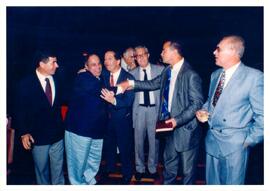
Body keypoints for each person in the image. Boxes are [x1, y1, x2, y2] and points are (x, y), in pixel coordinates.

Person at [119, 40, 203, 184]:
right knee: (169, 168)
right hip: (168, 126)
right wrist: (131, 84)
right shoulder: (167, 70)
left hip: (185, 130)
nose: (161, 53)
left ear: (174, 52)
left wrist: (177, 120)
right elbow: (153, 83)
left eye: (164, 50)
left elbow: (197, 104)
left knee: (187, 173)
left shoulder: (191, 74)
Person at [196, 35, 264, 185]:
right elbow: (211, 102)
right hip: (212, 142)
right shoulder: (215, 75)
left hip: (235, 147)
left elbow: (264, 116)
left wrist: (249, 140)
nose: (214, 52)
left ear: (233, 51)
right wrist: (202, 110)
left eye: (218, 49)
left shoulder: (254, 77)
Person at [16, 50, 65, 184]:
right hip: (38, 137)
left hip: (58, 136)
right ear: (42, 64)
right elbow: (20, 110)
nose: (57, 65)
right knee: (41, 172)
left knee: (58, 171)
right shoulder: (25, 84)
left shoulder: (59, 79)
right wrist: (24, 132)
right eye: (53, 62)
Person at [65, 54, 107, 185]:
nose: (98, 67)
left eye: (99, 63)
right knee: (78, 163)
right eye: (93, 65)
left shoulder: (100, 77)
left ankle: (89, 182)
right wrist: (124, 86)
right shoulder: (83, 77)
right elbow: (104, 91)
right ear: (86, 67)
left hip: (96, 130)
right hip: (80, 130)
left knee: (93, 160)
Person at [129, 45, 164, 180]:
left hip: (155, 110)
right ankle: (139, 168)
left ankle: (152, 168)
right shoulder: (131, 74)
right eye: (137, 56)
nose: (141, 57)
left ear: (148, 55)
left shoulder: (160, 70)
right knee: (138, 141)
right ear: (136, 59)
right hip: (139, 110)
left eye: (143, 54)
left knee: (154, 141)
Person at [100, 50, 135, 184]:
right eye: (105, 59)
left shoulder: (129, 78)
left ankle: (127, 173)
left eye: (109, 59)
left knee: (125, 148)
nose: (106, 62)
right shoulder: (103, 75)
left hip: (122, 120)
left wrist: (113, 101)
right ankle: (110, 167)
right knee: (109, 146)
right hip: (107, 120)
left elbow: (128, 101)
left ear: (118, 61)